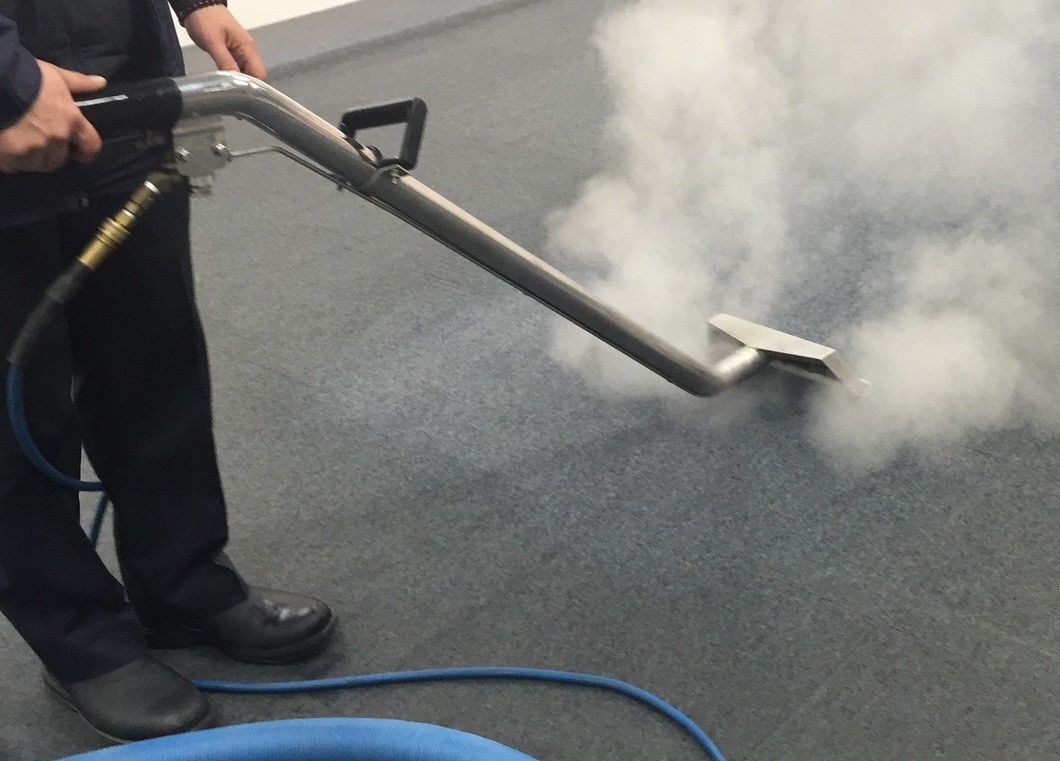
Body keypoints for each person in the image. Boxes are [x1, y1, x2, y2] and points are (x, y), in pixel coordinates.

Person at [0, 0, 336, 744]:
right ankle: (81, 638)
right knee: (18, 404)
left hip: (122, 84)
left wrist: (200, 3)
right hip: (10, 106)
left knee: (153, 357)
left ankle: (183, 581)